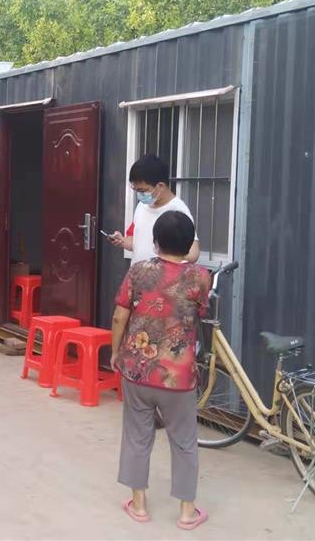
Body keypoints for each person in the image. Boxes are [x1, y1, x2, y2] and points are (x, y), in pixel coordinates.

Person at [110, 211, 211, 530]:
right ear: (189, 245)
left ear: (155, 242)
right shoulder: (200, 277)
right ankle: (187, 512)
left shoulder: (138, 272)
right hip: (179, 377)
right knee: (184, 441)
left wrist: (115, 352)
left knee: (137, 436)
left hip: (138, 371)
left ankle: (139, 505)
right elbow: (199, 311)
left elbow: (119, 316)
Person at [109, 154, 201, 264]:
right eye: (136, 190)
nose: (139, 195)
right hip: (139, 273)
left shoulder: (178, 211)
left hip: (162, 275)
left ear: (160, 186)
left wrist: (166, 255)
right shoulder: (142, 205)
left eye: (143, 191)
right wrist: (122, 241)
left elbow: (193, 253)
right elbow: (136, 241)